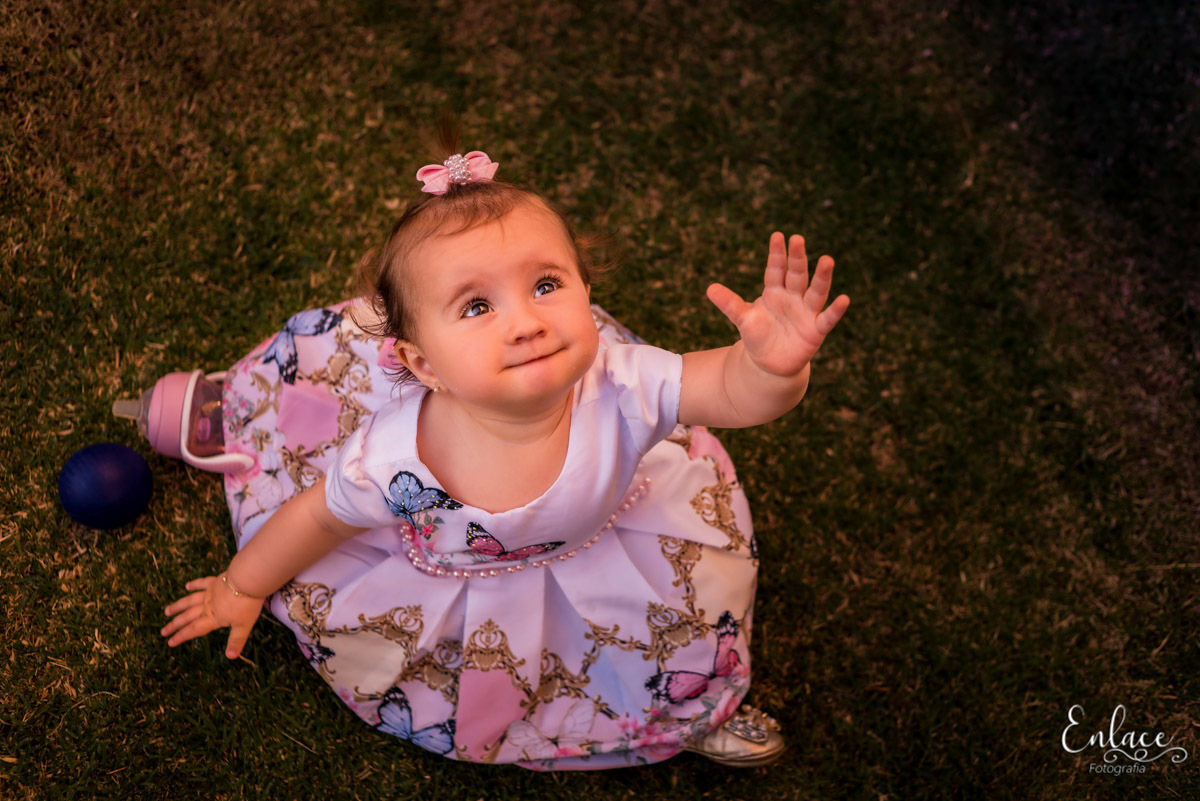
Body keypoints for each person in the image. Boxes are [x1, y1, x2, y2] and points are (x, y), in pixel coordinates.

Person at [161, 134, 849, 769]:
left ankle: (687, 709)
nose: (525, 321)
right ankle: (235, 410)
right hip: (461, 588)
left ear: (587, 292)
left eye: (546, 285)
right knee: (492, 672)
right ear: (422, 363)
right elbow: (317, 519)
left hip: (613, 554)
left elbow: (728, 391)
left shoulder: (623, 383)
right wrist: (241, 584)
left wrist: (771, 369)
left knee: (675, 641)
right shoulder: (395, 458)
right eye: (476, 306)